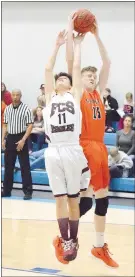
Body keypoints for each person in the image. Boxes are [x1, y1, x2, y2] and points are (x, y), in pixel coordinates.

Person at [66, 15, 119, 267]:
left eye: (94, 77)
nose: (92, 79)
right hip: (86, 145)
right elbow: (75, 69)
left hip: (100, 147)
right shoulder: (79, 94)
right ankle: (66, 236)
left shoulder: (99, 93)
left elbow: (107, 61)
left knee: (101, 197)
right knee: (88, 196)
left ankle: (98, 246)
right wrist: (76, 44)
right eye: (89, 77)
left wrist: (96, 35)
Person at [43, 28, 90, 264]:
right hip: (53, 152)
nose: (62, 79)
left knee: (74, 200)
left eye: (65, 79)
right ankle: (66, 240)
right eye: (59, 79)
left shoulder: (74, 95)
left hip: (72, 148)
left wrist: (78, 44)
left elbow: (75, 70)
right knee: (59, 198)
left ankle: (76, 236)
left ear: (71, 86)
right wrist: (57, 44)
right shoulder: (50, 97)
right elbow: (48, 69)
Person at [2, 89, 33, 200]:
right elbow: (5, 125)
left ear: (21, 96)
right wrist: (3, 139)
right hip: (10, 137)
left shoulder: (26, 108)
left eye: (17, 95)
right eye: (13, 95)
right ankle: (6, 190)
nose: (15, 97)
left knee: (25, 166)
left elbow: (30, 125)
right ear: (11, 96)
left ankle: (28, 191)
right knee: (8, 166)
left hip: (22, 137)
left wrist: (23, 140)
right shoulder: (7, 109)